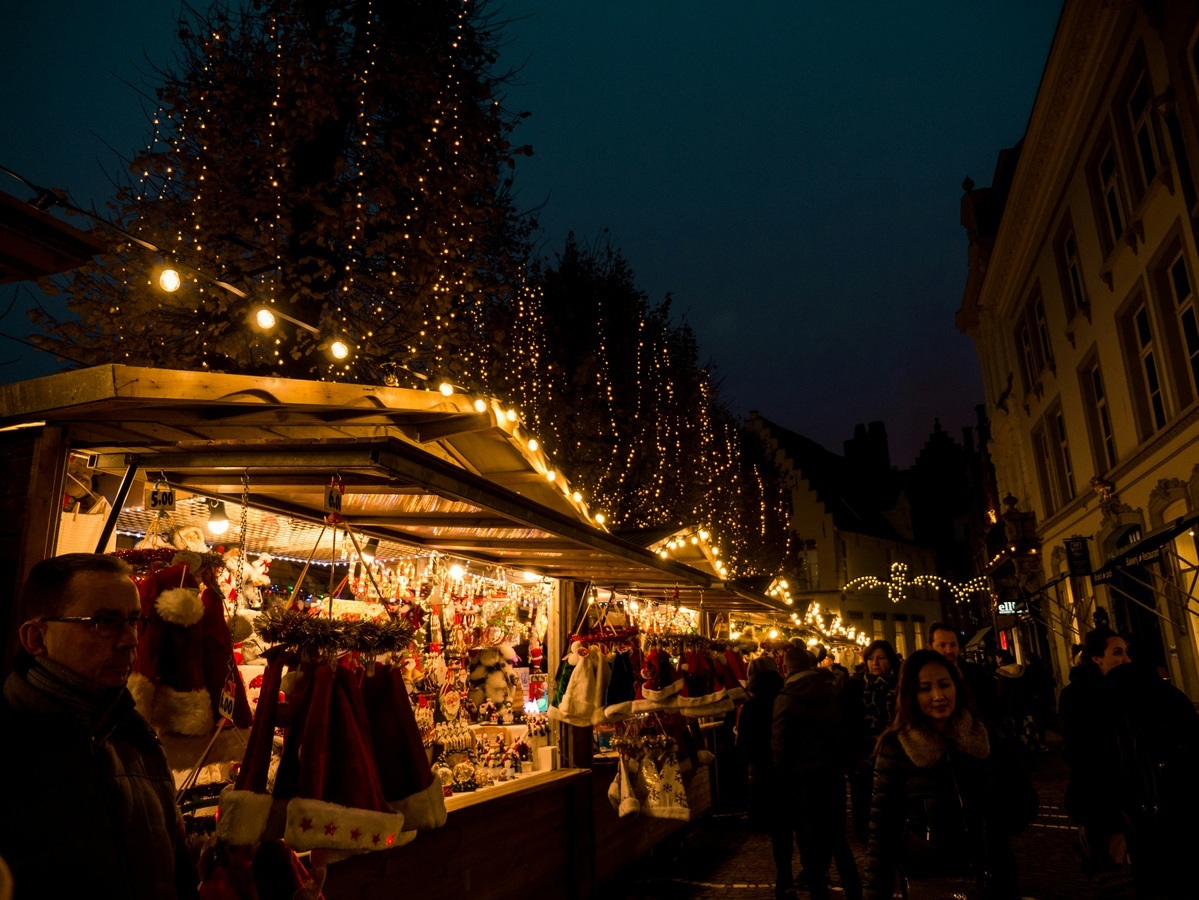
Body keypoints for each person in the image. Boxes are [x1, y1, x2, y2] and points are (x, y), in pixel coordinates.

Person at [0, 553, 199, 899]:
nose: (129, 641)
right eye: (104, 622)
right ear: (36, 638)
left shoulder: (137, 737)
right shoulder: (10, 741)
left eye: (134, 621)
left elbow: (177, 874)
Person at [864, 649, 1036, 900]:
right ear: (911, 694)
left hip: (994, 874)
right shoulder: (896, 749)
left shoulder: (984, 735)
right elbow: (882, 833)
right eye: (925, 688)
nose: (938, 696)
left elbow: (1023, 798)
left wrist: (997, 820)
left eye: (945, 685)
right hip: (932, 879)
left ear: (957, 686)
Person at [773, 645, 862, 900]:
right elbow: (842, 733)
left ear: (786, 667)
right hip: (832, 777)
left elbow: (780, 745)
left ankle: (818, 893)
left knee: (810, 845)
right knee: (838, 839)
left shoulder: (786, 698)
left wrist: (784, 776)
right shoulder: (832, 692)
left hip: (803, 782)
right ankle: (855, 891)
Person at [736, 656, 794, 899]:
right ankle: (812, 876)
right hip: (790, 771)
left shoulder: (751, 703)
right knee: (794, 825)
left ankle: (785, 877)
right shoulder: (786, 697)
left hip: (764, 774)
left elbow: (744, 745)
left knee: (778, 831)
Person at [841, 639, 899, 843]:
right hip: (862, 751)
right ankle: (865, 833)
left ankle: (891, 832)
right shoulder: (854, 685)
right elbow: (846, 720)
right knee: (863, 794)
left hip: (892, 749)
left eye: (881, 658)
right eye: (871, 658)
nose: (875, 663)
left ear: (890, 660)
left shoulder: (899, 685)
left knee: (891, 795)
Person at [928, 622, 1000, 723]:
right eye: (942, 645)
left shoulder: (977, 672)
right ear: (931, 648)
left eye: (953, 644)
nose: (949, 650)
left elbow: (992, 705)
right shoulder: (925, 678)